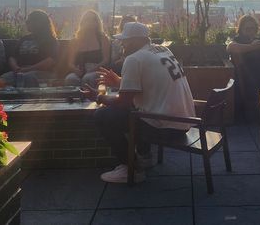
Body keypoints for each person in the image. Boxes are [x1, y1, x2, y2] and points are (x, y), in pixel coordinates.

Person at [83, 22, 195, 184]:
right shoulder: (162, 50)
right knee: (140, 107)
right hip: (183, 122)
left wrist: (98, 98)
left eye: (125, 40)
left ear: (136, 41)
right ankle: (144, 157)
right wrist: (120, 81)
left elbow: (123, 103)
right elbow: (149, 84)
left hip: (166, 128)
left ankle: (131, 169)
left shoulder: (133, 59)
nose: (121, 43)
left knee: (103, 115)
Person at [0, 10, 59, 88]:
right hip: (20, 71)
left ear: (39, 23)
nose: (27, 23)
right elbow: (12, 57)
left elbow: (50, 61)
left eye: (29, 21)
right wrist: (16, 67)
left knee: (27, 78)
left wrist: (28, 69)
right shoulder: (24, 39)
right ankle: (12, 96)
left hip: (42, 73)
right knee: (0, 81)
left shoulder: (50, 40)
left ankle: (28, 99)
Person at [60, 10, 111, 87]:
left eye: (93, 20)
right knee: (70, 79)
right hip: (79, 69)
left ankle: (89, 98)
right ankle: (74, 98)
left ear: (97, 23)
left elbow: (106, 60)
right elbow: (70, 63)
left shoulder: (103, 39)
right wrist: (75, 70)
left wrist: (93, 68)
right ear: (82, 22)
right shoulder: (75, 41)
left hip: (96, 70)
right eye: (87, 20)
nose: (90, 22)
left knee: (88, 78)